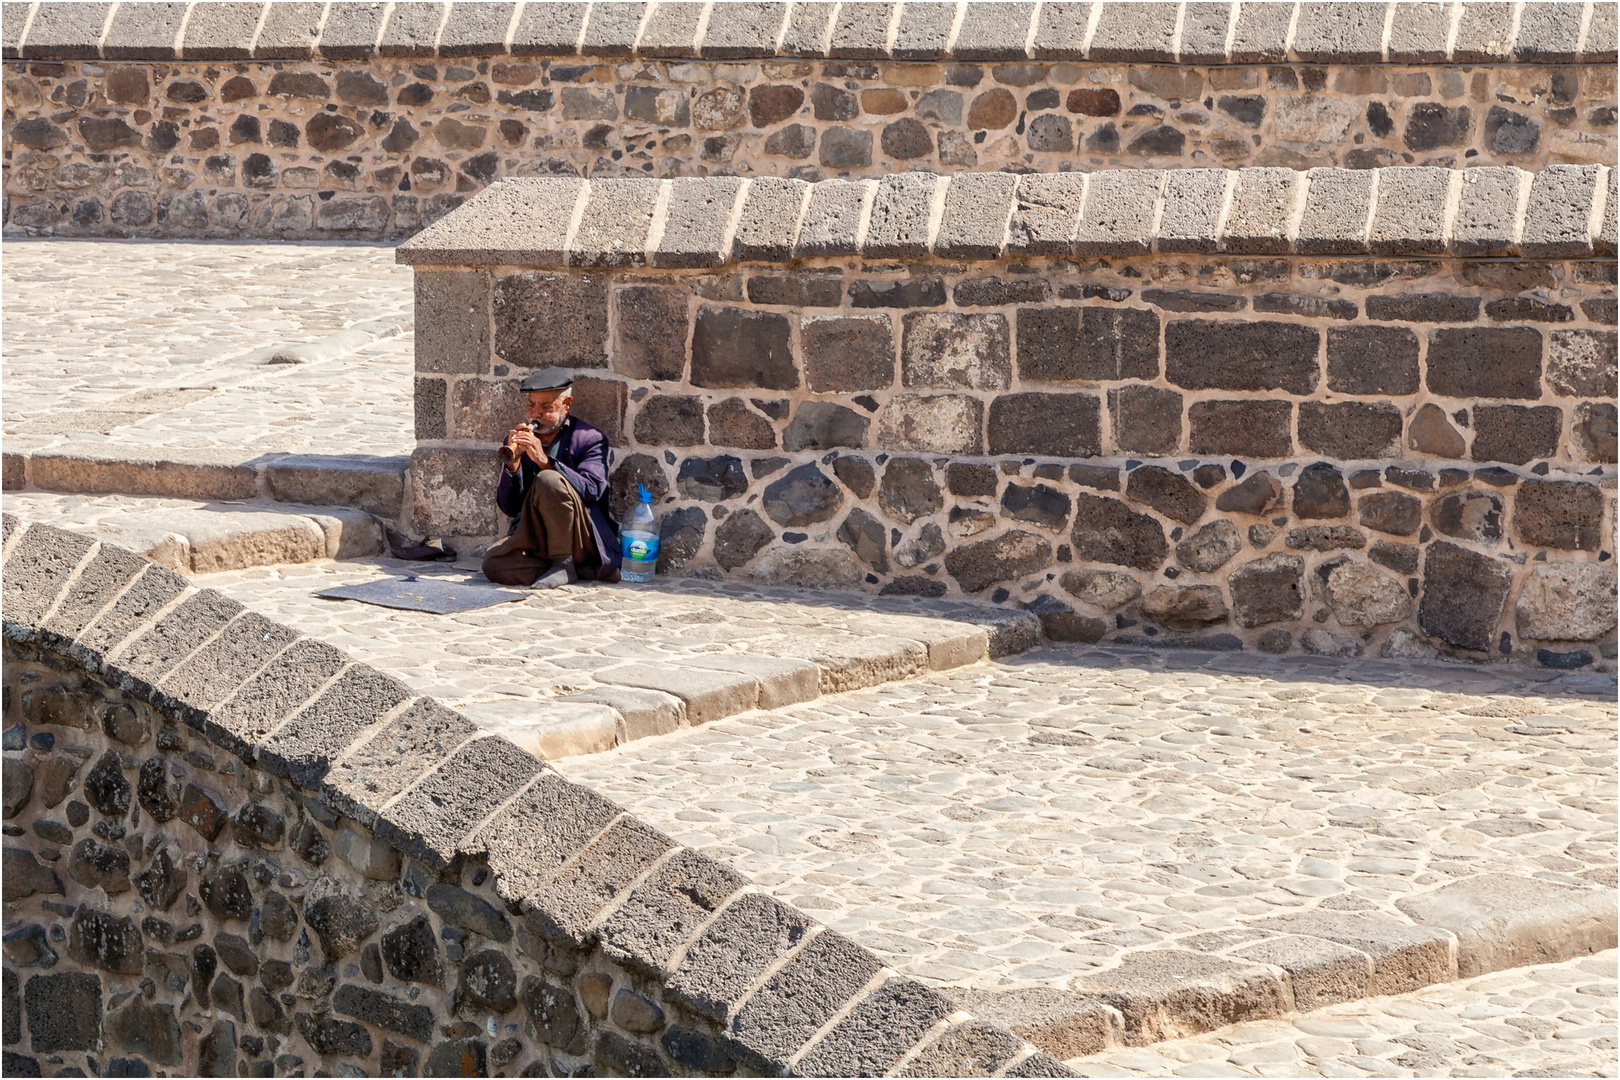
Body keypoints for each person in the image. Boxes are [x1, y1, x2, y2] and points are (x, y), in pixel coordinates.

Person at [482, 369, 621, 588]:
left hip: (581, 535)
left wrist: (545, 462)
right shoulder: (522, 439)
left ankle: (564, 563)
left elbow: (592, 490)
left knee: (549, 480)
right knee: (493, 565)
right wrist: (513, 467)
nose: (535, 414)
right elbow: (510, 508)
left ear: (566, 404)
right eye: (531, 405)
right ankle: (580, 570)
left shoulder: (590, 439)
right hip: (538, 536)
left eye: (546, 407)